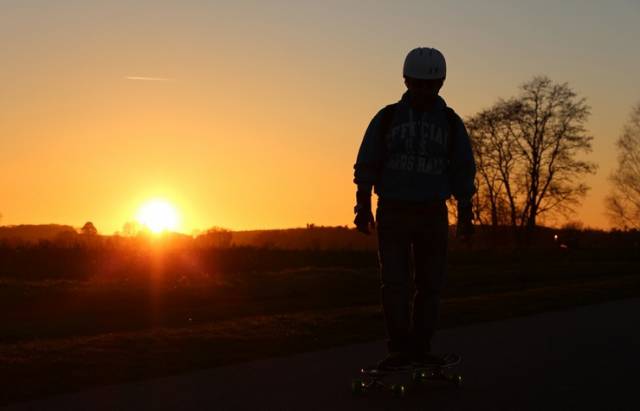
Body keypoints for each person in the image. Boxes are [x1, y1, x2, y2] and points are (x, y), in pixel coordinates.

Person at [353, 47, 476, 370]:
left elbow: (463, 169)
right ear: (406, 81)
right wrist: (362, 205)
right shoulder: (387, 118)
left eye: (430, 85)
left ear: (441, 84)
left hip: (432, 211)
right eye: (417, 84)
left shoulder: (450, 123)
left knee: (430, 284)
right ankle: (399, 348)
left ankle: (420, 347)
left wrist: (465, 212)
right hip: (392, 210)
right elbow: (367, 161)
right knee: (394, 283)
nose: (423, 91)